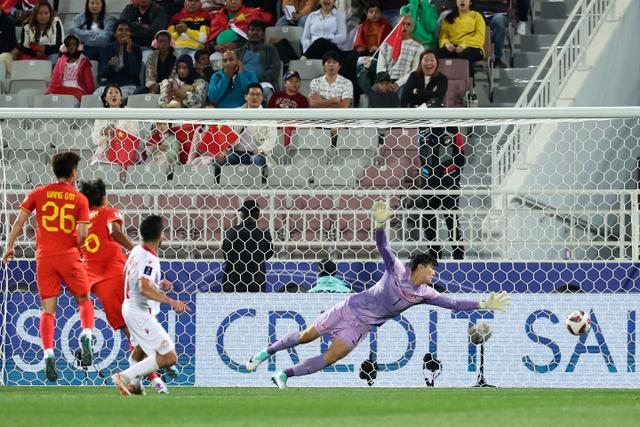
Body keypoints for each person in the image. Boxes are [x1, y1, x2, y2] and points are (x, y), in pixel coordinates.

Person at [245, 201, 512, 388]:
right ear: (420, 267)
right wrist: (380, 225)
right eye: (432, 268)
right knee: (306, 336)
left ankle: (283, 375)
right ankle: (265, 353)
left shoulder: (425, 293)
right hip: (348, 309)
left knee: (332, 358)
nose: (434, 273)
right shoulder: (397, 269)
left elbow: (453, 303)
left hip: (361, 326)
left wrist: (483, 303)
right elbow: (383, 246)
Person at [2, 152, 95, 383]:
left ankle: (48, 354)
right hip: (69, 255)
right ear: (74, 173)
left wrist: (10, 246)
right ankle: (86, 334)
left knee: (48, 310)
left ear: (55, 171)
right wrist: (75, 247)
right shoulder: (79, 199)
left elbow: (19, 221)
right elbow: (83, 235)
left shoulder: (39, 192)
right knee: (84, 299)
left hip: (44, 258)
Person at [111, 215, 189, 396]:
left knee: (139, 349)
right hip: (139, 313)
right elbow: (143, 287)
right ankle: (124, 377)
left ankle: (135, 386)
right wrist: (172, 301)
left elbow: (134, 278)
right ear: (161, 235)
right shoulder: (149, 258)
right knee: (169, 357)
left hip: (129, 307)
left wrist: (157, 285)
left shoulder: (136, 250)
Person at [221, 199, 274, 292]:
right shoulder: (264, 235)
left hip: (232, 282)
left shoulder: (231, 233)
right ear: (258, 215)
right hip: (256, 284)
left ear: (242, 215)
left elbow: (226, 254)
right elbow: (268, 254)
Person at [91, 83, 141, 165]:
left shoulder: (130, 113)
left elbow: (134, 134)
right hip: (104, 151)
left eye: (116, 92)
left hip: (125, 150)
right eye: (110, 93)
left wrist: (116, 132)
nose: (114, 95)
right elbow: (95, 140)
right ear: (105, 98)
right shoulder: (100, 115)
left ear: (121, 96)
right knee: (97, 163)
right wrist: (103, 133)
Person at [95, 19, 142, 99]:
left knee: (118, 98)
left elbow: (135, 72)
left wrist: (130, 53)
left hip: (128, 85)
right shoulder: (107, 49)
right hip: (109, 84)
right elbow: (102, 73)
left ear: (130, 33)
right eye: (120, 30)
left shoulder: (136, 49)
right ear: (115, 34)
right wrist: (110, 65)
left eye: (127, 30)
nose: (123, 32)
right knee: (95, 98)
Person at [437, 0, 485, 78]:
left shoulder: (477, 16)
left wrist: (463, 46)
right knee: (435, 55)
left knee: (464, 55)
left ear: (470, 2)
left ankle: (469, 83)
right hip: (453, 47)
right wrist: (446, 43)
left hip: (473, 47)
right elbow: (443, 35)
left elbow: (479, 37)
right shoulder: (449, 17)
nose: (462, 1)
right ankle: (440, 82)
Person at [376, 14, 423, 88]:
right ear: (396, 26)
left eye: (408, 24)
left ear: (412, 28)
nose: (405, 26)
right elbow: (381, 65)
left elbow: (415, 70)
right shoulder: (386, 44)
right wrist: (384, 81)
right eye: (402, 24)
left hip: (406, 83)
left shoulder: (418, 47)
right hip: (387, 81)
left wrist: (398, 83)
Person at [235, 20, 281, 96]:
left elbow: (275, 69)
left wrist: (256, 79)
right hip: (241, 82)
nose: (254, 32)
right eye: (252, 30)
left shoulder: (270, 50)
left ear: (263, 35)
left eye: (258, 30)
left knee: (266, 91)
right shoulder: (239, 51)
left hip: (262, 83)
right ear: (247, 34)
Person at [45, 34, 95, 103]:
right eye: (68, 45)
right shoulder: (60, 60)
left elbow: (88, 80)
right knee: (52, 100)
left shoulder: (84, 61)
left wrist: (90, 97)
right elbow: (55, 78)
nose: (71, 47)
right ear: (65, 47)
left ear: (77, 46)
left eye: (73, 44)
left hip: (77, 90)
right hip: (62, 89)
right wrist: (48, 93)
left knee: (70, 102)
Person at [473, 0, 508, 68]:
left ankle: (497, 58)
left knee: (499, 21)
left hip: (497, 14)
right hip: (477, 13)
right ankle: (477, 57)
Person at [141, 29, 176, 95]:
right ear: (157, 43)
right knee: (139, 92)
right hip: (153, 86)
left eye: (165, 41)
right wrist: (152, 84)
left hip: (169, 87)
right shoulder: (152, 56)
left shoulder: (175, 57)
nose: (163, 44)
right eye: (160, 41)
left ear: (169, 43)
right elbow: (149, 74)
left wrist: (161, 85)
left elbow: (174, 76)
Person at [0, 6, 18, 79]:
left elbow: (9, 45)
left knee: (3, 57)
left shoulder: (8, 22)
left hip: (7, 53)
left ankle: (16, 81)